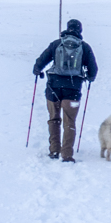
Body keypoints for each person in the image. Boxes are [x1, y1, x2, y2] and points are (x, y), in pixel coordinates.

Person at [32, 19, 98, 162]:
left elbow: (39, 62)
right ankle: (67, 155)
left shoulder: (56, 44)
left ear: (67, 29)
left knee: (54, 119)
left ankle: (54, 151)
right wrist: (89, 77)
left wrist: (38, 71)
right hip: (73, 90)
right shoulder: (85, 47)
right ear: (80, 31)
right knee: (70, 122)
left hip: (53, 88)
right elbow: (93, 71)